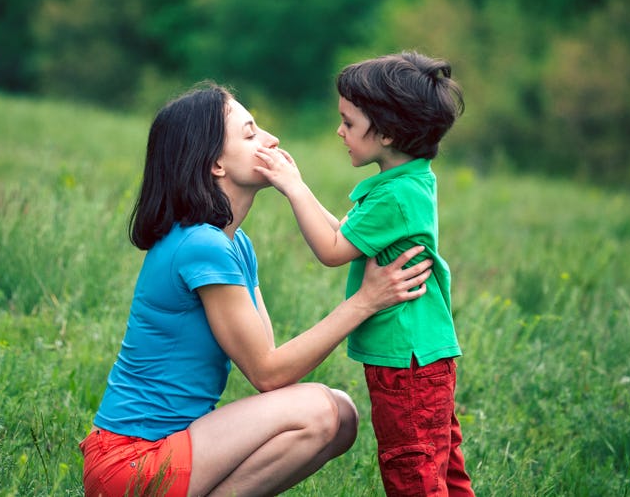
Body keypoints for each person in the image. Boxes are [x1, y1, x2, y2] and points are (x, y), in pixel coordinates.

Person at [80, 82, 434, 497]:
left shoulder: (233, 243)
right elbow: (268, 374)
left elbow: (269, 364)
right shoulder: (201, 245)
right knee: (319, 410)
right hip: (131, 463)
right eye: (250, 134)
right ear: (215, 164)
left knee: (341, 415)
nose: (272, 140)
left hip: (168, 451)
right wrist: (364, 302)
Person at [254, 51, 474, 496]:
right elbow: (347, 234)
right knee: (441, 466)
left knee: (413, 472)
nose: (340, 131)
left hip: (407, 363)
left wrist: (292, 188)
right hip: (422, 357)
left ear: (388, 132)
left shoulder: (394, 197)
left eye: (348, 123)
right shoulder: (406, 184)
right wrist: (301, 185)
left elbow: (334, 250)